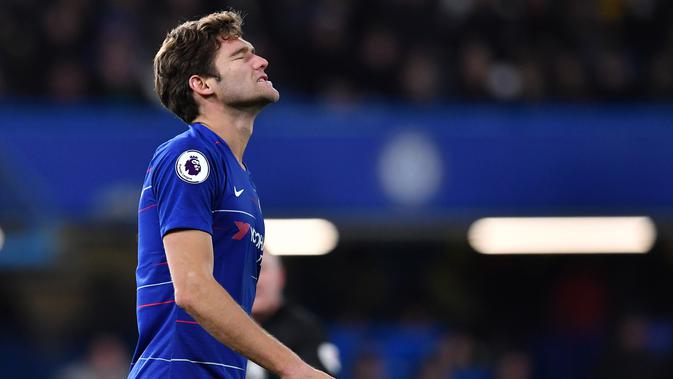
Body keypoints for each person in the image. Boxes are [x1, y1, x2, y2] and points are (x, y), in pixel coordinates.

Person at [128, 10, 333, 379]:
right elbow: (192, 288)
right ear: (203, 84)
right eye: (241, 55)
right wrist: (292, 367)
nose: (261, 60)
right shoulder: (190, 157)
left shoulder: (240, 178)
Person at [247, 252, 341, 378]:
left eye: (262, 269)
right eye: (248, 271)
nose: (256, 280)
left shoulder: (306, 329)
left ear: (280, 277)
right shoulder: (220, 326)